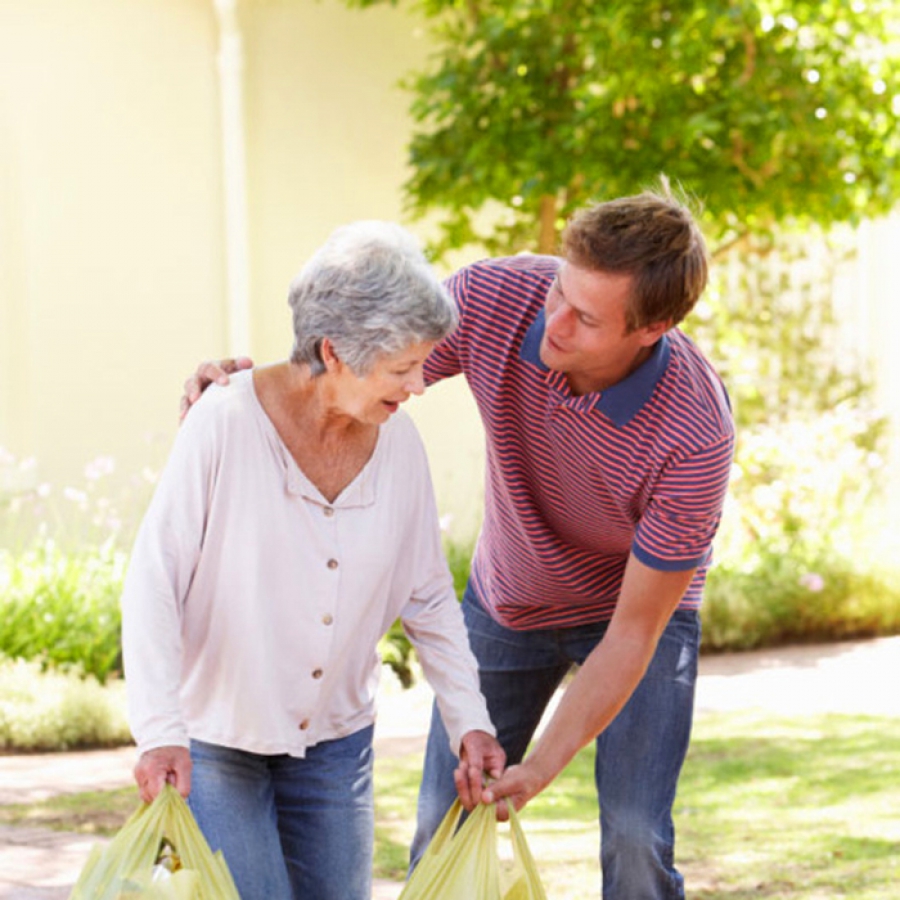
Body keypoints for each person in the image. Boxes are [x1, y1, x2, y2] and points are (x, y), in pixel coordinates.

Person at [183, 188, 735, 899]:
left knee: (635, 835)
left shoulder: (694, 430)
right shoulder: (502, 298)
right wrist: (253, 394)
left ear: (652, 328)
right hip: (509, 602)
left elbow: (632, 635)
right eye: (559, 290)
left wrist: (539, 769)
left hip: (633, 621)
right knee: (444, 826)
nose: (552, 322)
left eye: (586, 318)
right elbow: (361, 364)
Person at [122, 220, 504, 900]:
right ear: (333, 351)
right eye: (402, 367)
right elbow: (155, 577)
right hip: (216, 739)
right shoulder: (224, 423)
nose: (419, 384)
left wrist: (468, 719)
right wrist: (158, 731)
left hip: (336, 743)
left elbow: (428, 596)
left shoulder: (398, 445)